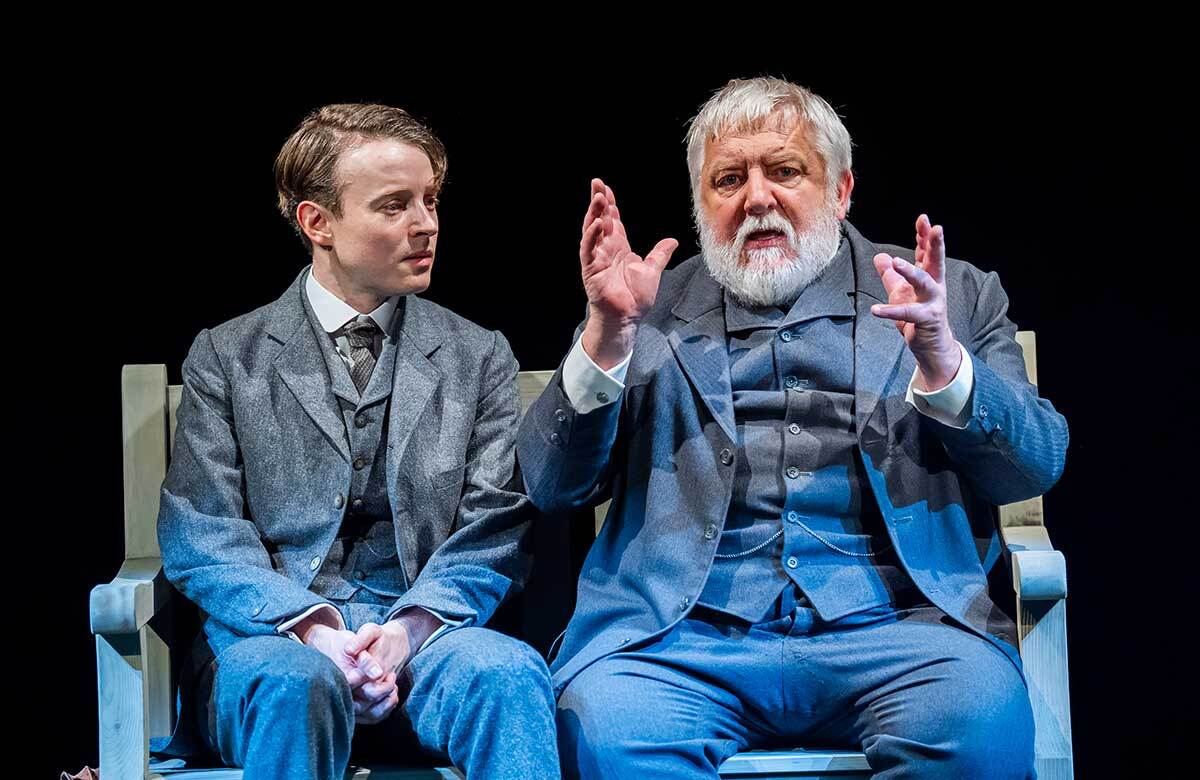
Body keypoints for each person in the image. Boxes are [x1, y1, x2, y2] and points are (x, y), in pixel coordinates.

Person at [517, 77, 1068, 779]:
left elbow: (1034, 467)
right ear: (700, 204)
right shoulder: (641, 305)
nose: (756, 198)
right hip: (679, 645)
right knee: (612, 735)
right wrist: (605, 338)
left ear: (840, 191)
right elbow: (552, 486)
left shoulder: (950, 293)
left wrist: (943, 360)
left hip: (902, 633)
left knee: (972, 724)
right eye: (727, 180)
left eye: (784, 171)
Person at [156, 103, 558, 780]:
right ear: (318, 222)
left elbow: (496, 525)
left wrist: (405, 633)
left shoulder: (477, 355)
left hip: (426, 644)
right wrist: (313, 630)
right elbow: (201, 532)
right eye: (395, 205)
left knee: (508, 673)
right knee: (293, 683)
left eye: (430, 200)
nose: (425, 223)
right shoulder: (230, 357)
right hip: (275, 644)